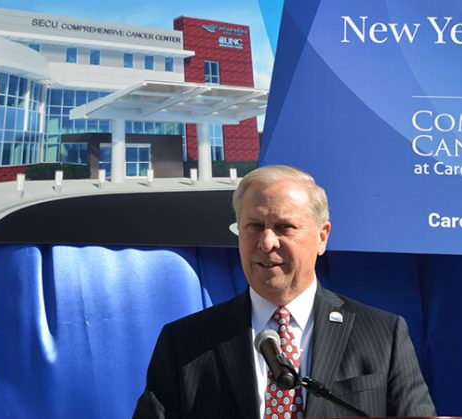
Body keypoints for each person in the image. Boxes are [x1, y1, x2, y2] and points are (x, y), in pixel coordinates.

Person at [133, 165, 436, 418]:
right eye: (253, 226)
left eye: (283, 227)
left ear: (321, 236)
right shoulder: (184, 343)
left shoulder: (384, 335)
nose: (266, 243)